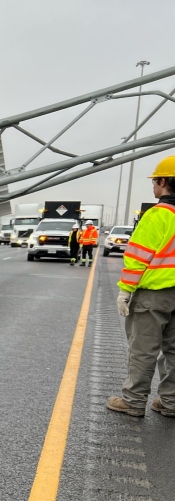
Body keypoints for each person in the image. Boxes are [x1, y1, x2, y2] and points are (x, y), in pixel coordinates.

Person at [107, 155, 175, 418]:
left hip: (154, 295)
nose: (153, 186)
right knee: (173, 350)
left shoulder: (158, 215)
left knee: (144, 349)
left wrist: (126, 290)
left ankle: (134, 402)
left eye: (155, 181)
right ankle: (170, 401)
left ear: (163, 182)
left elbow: (137, 257)